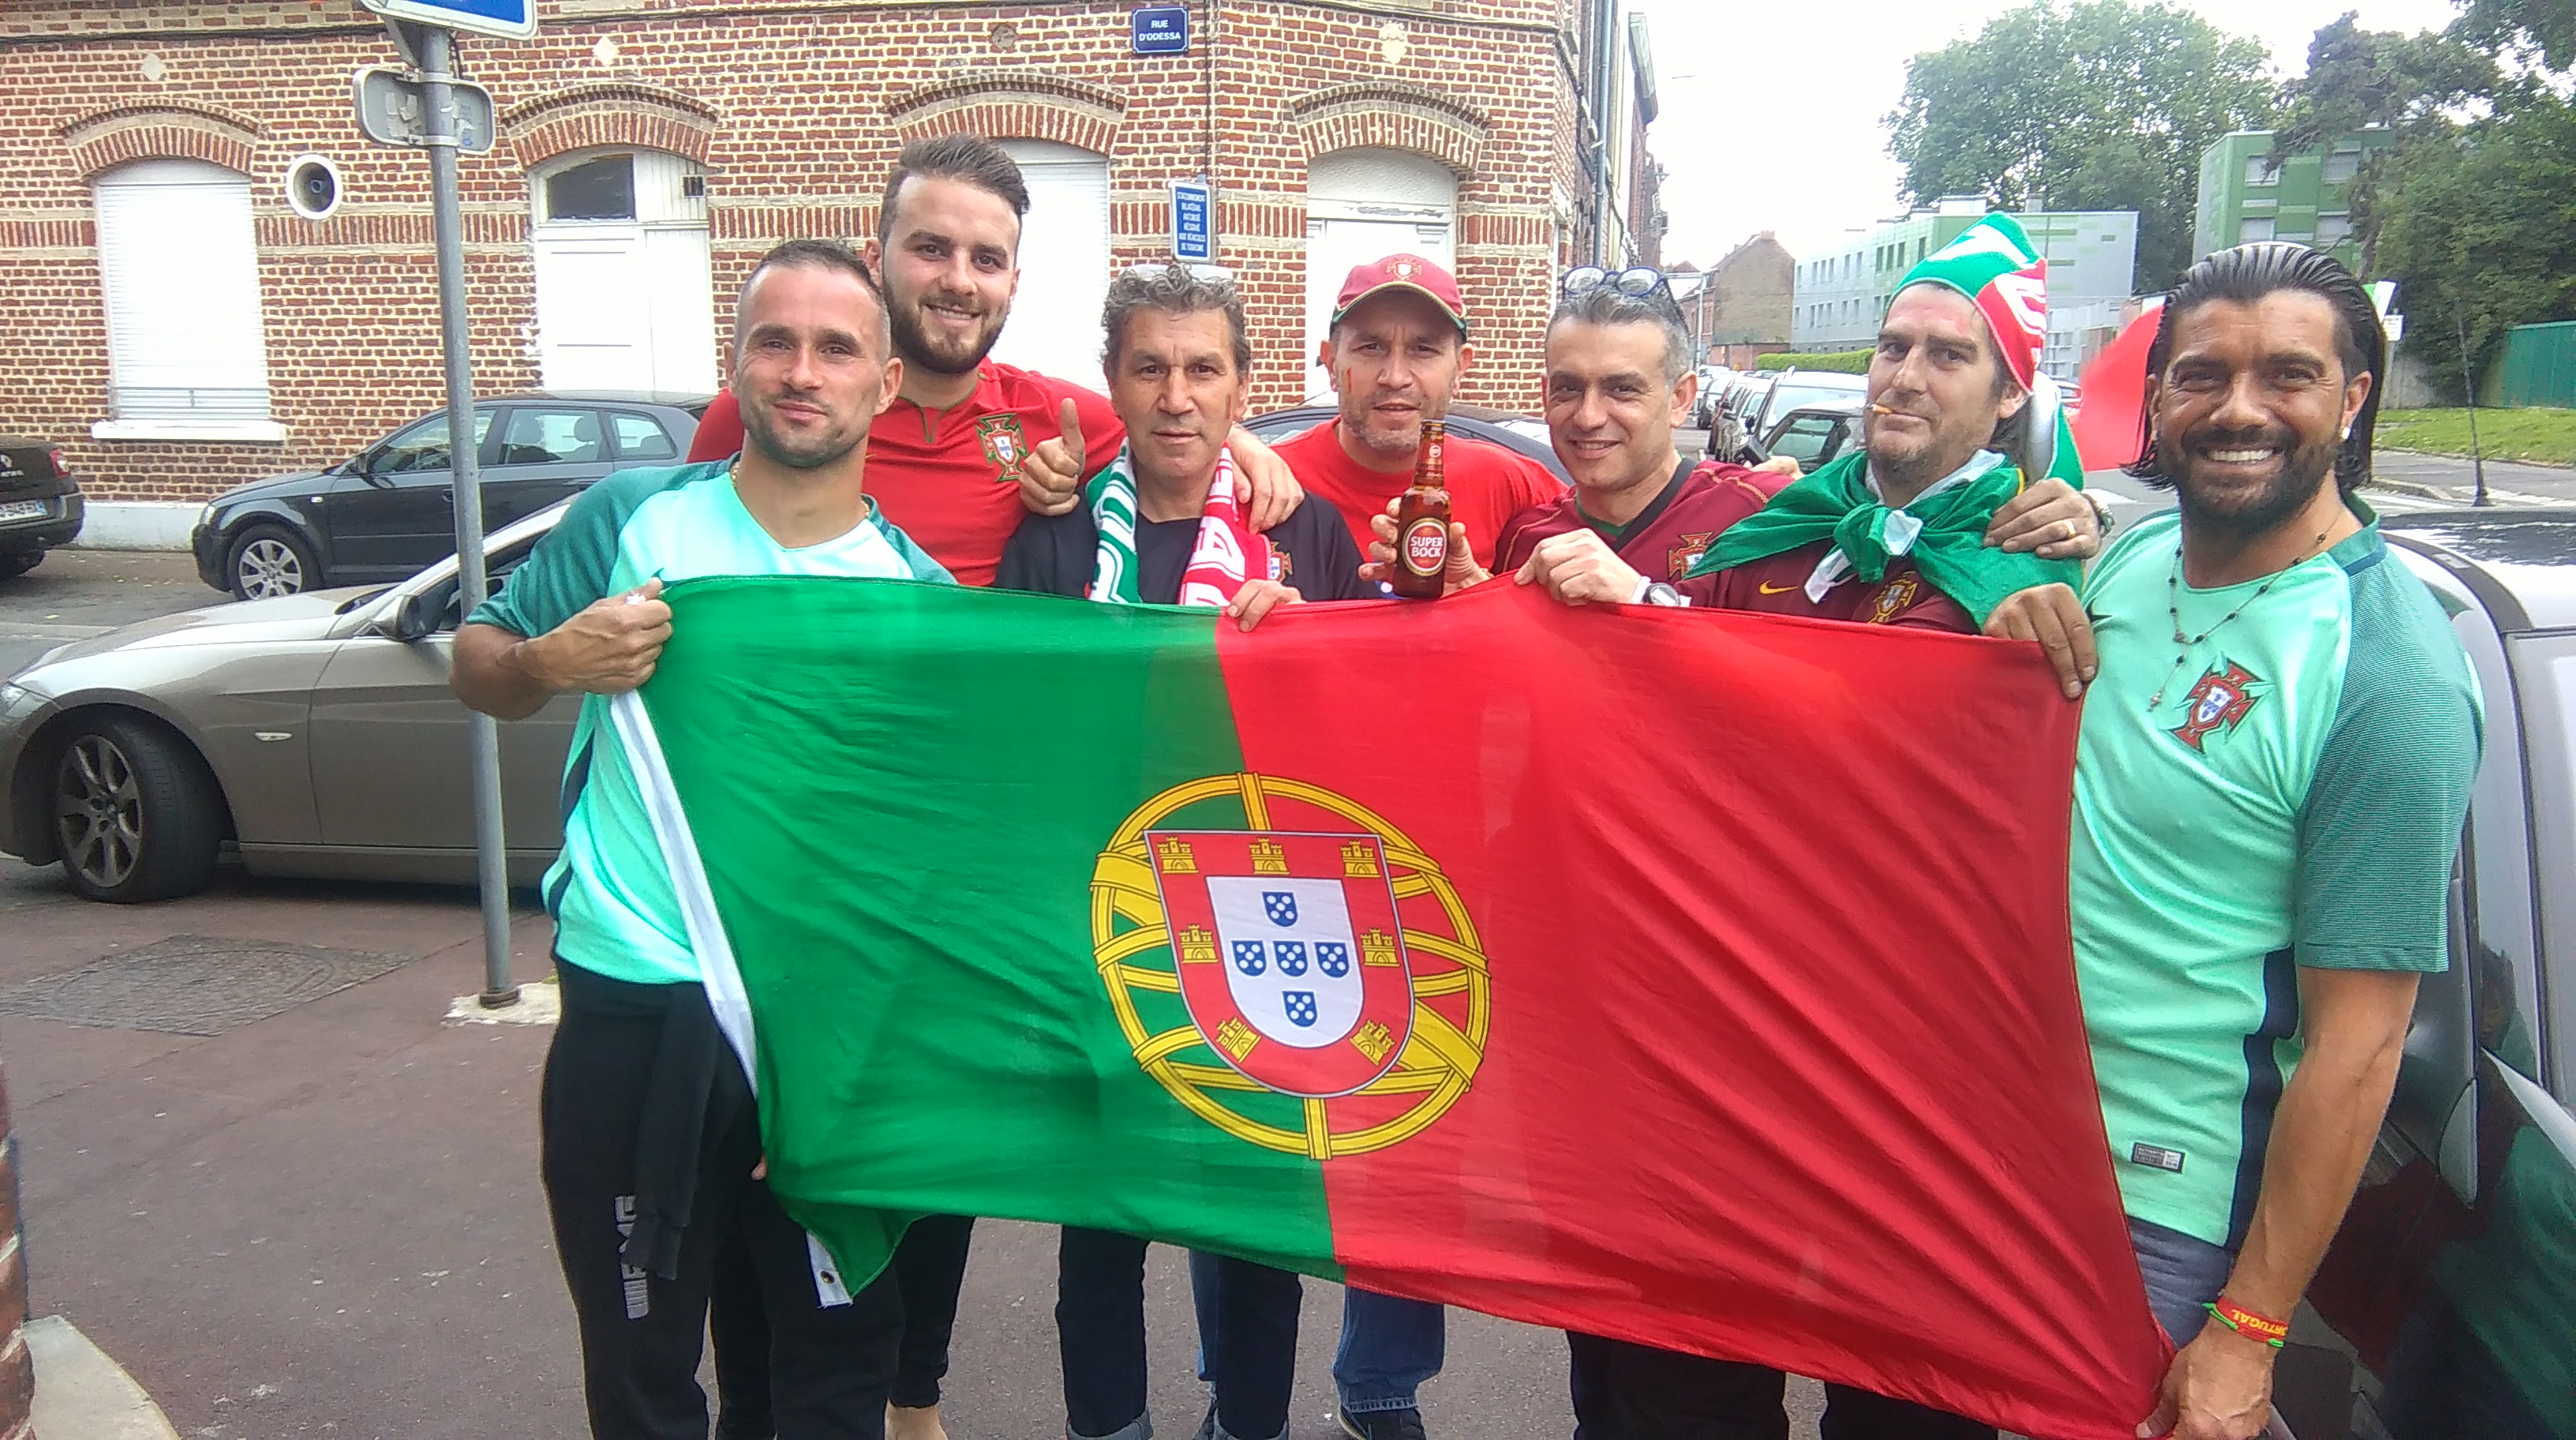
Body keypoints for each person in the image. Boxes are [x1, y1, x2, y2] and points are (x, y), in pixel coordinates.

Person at [1477, 236, 2103, 1440]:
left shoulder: (2037, 559)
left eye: (1948, 356)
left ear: (2010, 397)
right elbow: (1681, 694)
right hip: (1713, 1052)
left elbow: (1856, 734)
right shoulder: (1795, 523)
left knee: (1902, 1409)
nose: (1905, 375)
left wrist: (2086, 547)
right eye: (1893, 346)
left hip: (1907, 1077)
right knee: (1671, 1393)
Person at [1984, 243, 2481, 1440]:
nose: (2239, 409)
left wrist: (2248, 1330)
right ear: (2159, 398)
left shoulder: (2389, 673)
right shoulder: (2134, 553)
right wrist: (2017, 630)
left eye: (2288, 374)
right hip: (1993, 1142)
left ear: (2353, 397)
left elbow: (2360, 1043)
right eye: (2203, 375)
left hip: (2155, 1223)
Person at [449, 238, 940, 1440]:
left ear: (885, 383)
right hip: (635, 1005)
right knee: (641, 1371)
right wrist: (549, 660)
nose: (802, 372)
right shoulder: (631, 518)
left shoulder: (918, 599)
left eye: (836, 348)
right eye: (775, 342)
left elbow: (918, 864)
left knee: (834, 1371)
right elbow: (478, 663)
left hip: (817, 1032)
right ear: (737, 364)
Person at [995, 263, 1357, 1440]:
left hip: (1259, 927)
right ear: (1111, 383)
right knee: (1098, 1227)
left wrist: (1305, 652)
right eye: (1149, 368)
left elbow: (1361, 734)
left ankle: (1249, 1424)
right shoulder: (1053, 534)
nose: (1176, 396)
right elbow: (1014, 737)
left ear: (1242, 389)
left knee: (1255, 1230)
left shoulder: (1304, 531)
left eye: (1204, 370)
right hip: (1095, 924)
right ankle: (1109, 1427)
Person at [687, 133, 1302, 587]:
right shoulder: (771, 411)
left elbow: (1165, 415)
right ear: (875, 259)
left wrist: (1243, 443)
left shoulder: (1056, 416)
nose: (959, 281)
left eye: (986, 260)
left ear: (1013, 282)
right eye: (931, 249)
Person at [1271, 254, 1564, 573]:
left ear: (1460, 368)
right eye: (1371, 347)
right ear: (1331, 364)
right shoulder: (1272, 482)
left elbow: (1599, 539)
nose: (1396, 378)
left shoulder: (1508, 483)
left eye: (1423, 350)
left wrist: (1479, 590)